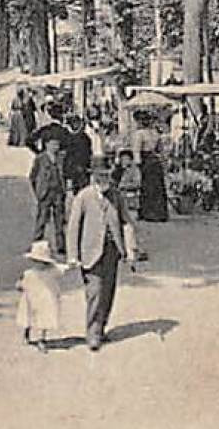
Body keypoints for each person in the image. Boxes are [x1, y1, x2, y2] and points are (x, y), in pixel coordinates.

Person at [65, 156, 140, 351]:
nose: (103, 179)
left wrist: (131, 250)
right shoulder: (84, 197)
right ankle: (92, 333)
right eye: (99, 175)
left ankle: (101, 326)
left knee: (108, 292)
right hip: (90, 251)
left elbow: (127, 223)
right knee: (95, 292)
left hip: (112, 251)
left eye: (106, 175)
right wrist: (72, 255)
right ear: (93, 176)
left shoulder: (116, 196)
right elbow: (73, 227)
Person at [16, 240, 69, 353]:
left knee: (44, 319)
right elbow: (20, 284)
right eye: (36, 261)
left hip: (45, 300)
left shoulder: (51, 271)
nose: (39, 264)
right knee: (28, 318)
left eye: (42, 262)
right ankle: (26, 335)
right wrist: (21, 285)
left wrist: (71, 264)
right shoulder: (29, 273)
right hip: (31, 299)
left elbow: (63, 268)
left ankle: (41, 339)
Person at [30, 135, 66, 255]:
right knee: (42, 218)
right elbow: (32, 176)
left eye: (57, 144)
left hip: (58, 192)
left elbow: (63, 174)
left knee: (59, 220)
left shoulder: (60, 158)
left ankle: (61, 245)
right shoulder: (40, 159)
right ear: (47, 145)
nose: (56, 147)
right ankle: (36, 243)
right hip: (46, 192)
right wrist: (38, 190)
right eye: (53, 144)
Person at [133, 112, 170, 222]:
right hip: (151, 160)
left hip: (150, 161)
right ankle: (153, 212)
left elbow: (137, 149)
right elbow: (138, 149)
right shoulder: (148, 133)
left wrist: (138, 163)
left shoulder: (146, 133)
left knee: (152, 187)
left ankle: (153, 213)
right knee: (152, 187)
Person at [63, 113, 93, 192]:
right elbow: (67, 155)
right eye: (73, 123)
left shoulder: (85, 138)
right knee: (75, 190)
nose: (75, 125)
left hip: (83, 168)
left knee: (85, 189)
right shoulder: (68, 137)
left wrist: (87, 166)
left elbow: (89, 154)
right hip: (73, 169)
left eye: (76, 123)